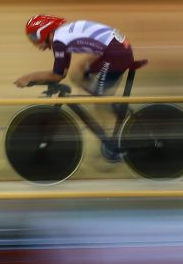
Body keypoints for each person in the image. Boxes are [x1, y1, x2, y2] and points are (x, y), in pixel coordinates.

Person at [14, 15, 136, 160]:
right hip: (116, 49)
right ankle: (114, 111)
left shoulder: (59, 40)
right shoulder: (63, 35)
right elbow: (63, 73)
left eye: (34, 38)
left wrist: (28, 77)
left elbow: (58, 75)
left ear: (44, 31)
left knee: (99, 100)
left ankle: (114, 144)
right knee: (78, 75)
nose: (34, 43)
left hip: (115, 53)